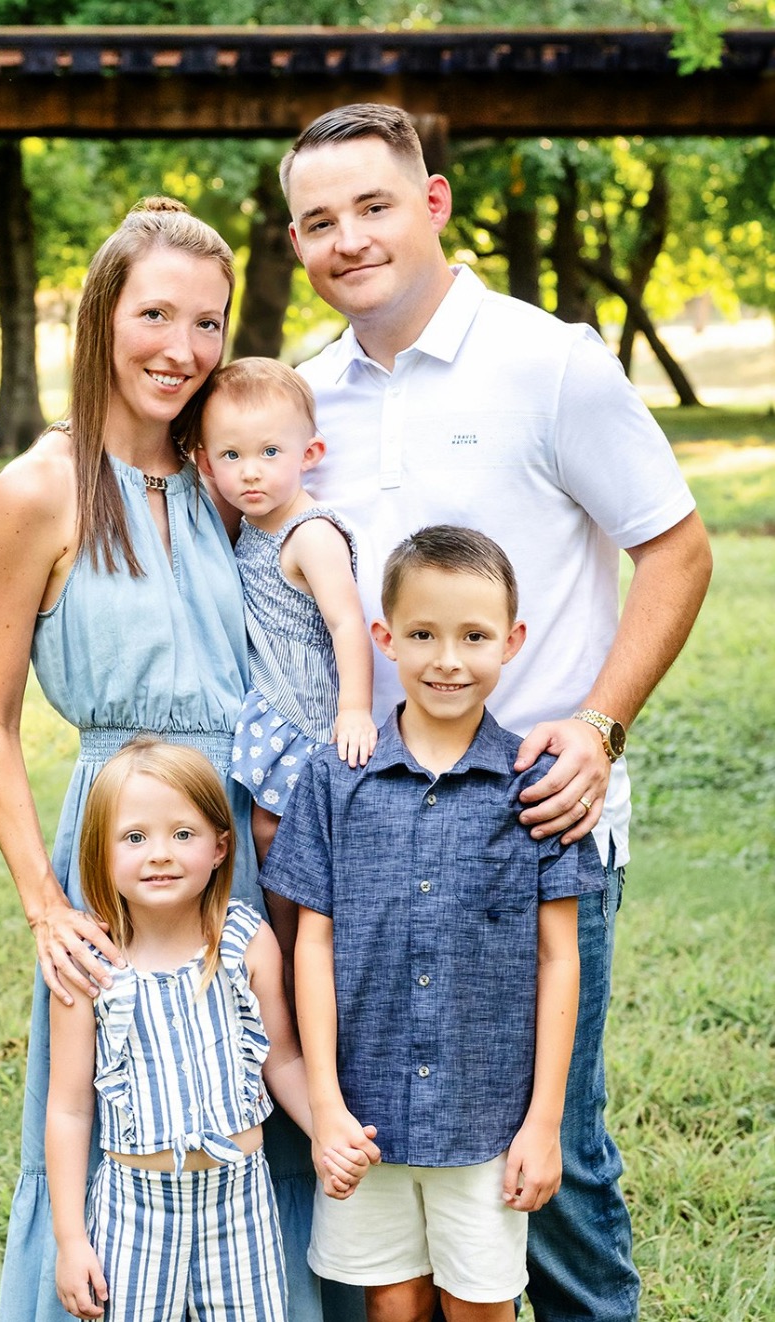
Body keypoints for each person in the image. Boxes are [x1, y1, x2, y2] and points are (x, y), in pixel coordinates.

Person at [278, 104, 714, 1321]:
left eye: (374, 205)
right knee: (384, 1137)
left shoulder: (550, 361)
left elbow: (677, 549)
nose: (349, 239)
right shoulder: (306, 401)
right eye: (319, 220)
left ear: (433, 204)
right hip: (369, 833)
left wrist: (600, 724)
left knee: (548, 1151)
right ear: (297, 243)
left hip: (532, 821)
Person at [0, 198, 335, 1322]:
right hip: (119, 840)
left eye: (209, 322)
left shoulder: (225, 478)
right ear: (102, 317)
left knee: (261, 1088)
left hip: (247, 825)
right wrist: (45, 903)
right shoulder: (42, 488)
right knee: (107, 1100)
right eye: (156, 315)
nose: (184, 348)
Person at [261, 525, 606, 1321]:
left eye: (474, 637)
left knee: (480, 1303)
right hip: (366, 1112)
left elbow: (560, 960)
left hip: (486, 1117)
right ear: (385, 638)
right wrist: (325, 1106)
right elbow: (312, 947)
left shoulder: (538, 789)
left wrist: (544, 1124)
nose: (448, 659)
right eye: (422, 635)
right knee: (393, 1303)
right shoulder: (333, 781)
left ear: (512, 642)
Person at [46, 738, 376, 1322]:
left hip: (239, 1203)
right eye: (134, 837)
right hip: (134, 1211)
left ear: (220, 847)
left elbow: (282, 1060)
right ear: (100, 852)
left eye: (183, 834)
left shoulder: (245, 940)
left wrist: (327, 1130)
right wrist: (71, 1242)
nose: (160, 855)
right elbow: (69, 1110)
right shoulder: (89, 966)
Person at [196, 356, 376, 865]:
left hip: (313, 711)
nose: (250, 471)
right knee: (265, 828)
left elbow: (346, 623)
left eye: (271, 452)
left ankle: (304, 920)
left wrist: (354, 710)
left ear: (309, 454)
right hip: (275, 699)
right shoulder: (254, 522)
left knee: (282, 830)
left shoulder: (310, 533)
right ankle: (285, 918)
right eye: (231, 455)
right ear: (207, 464)